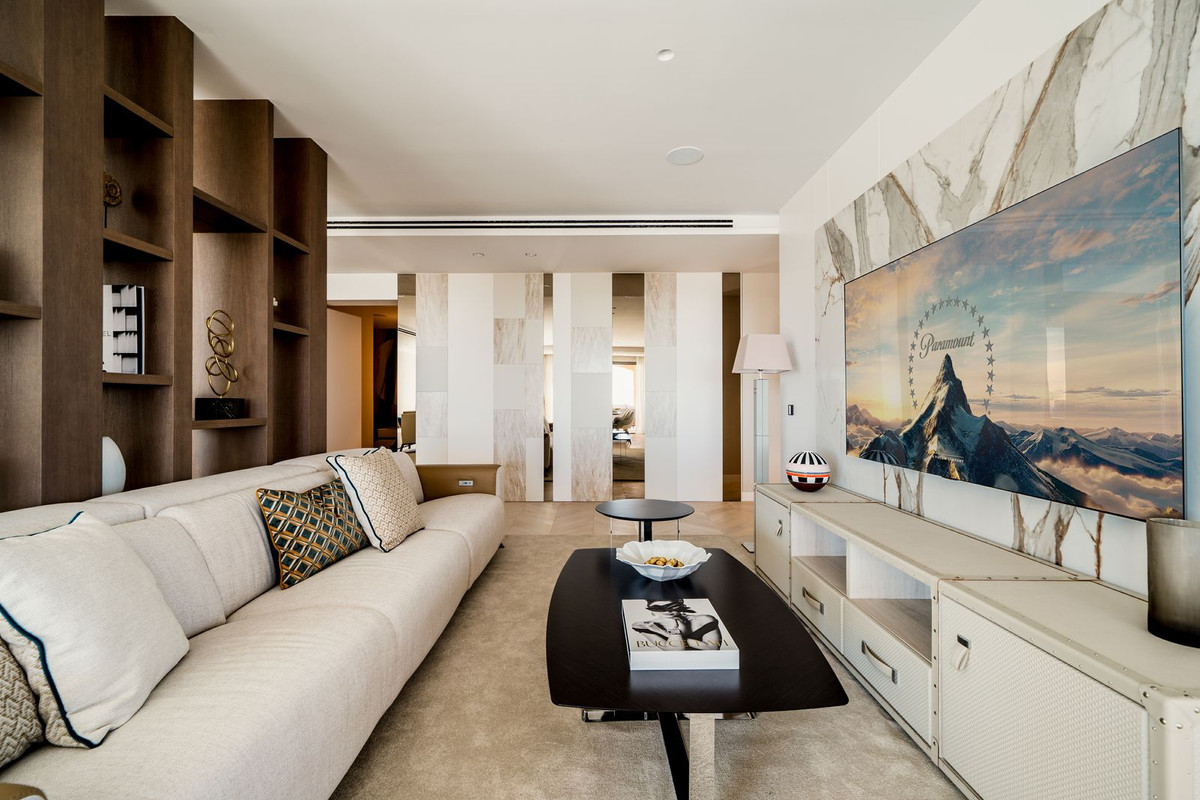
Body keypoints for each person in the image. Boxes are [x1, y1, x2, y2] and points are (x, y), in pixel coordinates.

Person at [631, 599, 722, 651]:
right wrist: (673, 627)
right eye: (659, 608)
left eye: (671, 606)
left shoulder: (704, 620)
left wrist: (666, 633)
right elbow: (676, 651)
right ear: (652, 610)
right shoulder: (646, 626)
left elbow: (713, 649)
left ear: (680, 605)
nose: (667, 611)